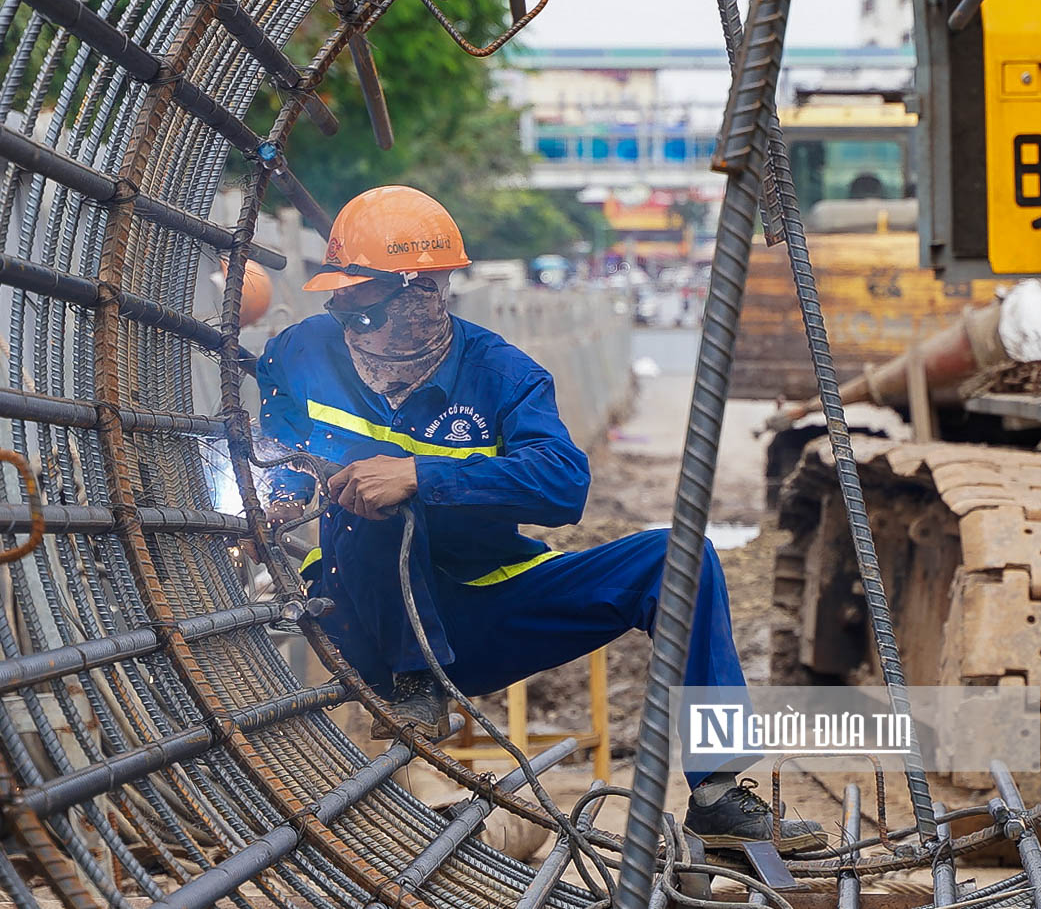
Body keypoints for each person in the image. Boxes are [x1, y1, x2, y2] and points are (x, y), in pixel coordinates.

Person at [255, 185, 822, 851]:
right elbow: (275, 446)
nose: (345, 323)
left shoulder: (499, 374)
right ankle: (412, 683)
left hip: (484, 609)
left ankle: (718, 792)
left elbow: (561, 485)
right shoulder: (300, 352)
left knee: (678, 558)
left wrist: (423, 475)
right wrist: (281, 488)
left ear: (422, 294)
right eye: (340, 306)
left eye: (360, 310)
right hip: (365, 616)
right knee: (375, 506)